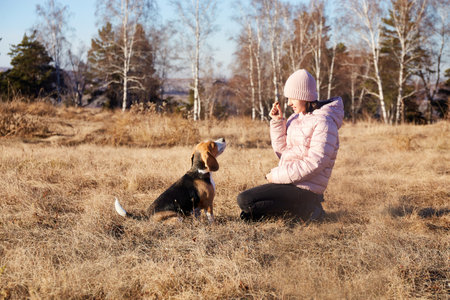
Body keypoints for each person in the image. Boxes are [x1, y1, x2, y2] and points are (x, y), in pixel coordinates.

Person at [237, 69, 344, 222]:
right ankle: (299, 212)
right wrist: (277, 122)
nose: (288, 103)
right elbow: (282, 152)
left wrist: (276, 176)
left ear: (304, 96)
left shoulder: (324, 122)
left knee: (245, 200)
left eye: (292, 98)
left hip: (306, 189)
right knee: (248, 208)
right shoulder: (295, 118)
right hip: (290, 184)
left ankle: (311, 208)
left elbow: (315, 162)